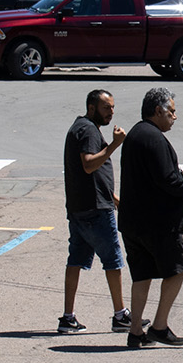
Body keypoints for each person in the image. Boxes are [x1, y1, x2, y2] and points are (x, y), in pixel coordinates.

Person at [121, 87, 183, 348]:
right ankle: (159, 326)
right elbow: (169, 181)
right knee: (178, 269)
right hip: (157, 225)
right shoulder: (154, 138)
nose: (174, 117)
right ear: (158, 111)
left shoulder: (136, 134)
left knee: (141, 275)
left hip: (133, 222)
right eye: (171, 112)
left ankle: (135, 331)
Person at [59, 89, 132, 334]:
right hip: (95, 210)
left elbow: (92, 175)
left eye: (112, 107)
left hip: (81, 207)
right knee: (113, 261)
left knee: (76, 260)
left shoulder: (80, 127)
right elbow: (89, 164)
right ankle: (121, 315)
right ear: (92, 108)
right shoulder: (89, 130)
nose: (111, 112)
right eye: (106, 108)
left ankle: (67, 318)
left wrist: (113, 198)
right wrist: (115, 145)